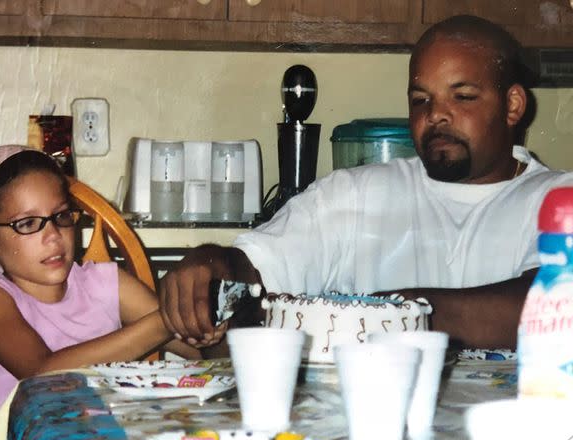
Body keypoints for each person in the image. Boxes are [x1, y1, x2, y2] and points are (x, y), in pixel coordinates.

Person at [158, 14, 573, 354]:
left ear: (513, 105)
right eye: (420, 99)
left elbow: (550, 305)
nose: (437, 115)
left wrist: (386, 311)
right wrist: (212, 263)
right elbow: (257, 270)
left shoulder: (558, 199)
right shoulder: (354, 195)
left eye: (462, 96)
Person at [0, 145, 197, 421]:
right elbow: (43, 374)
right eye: (27, 223)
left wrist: (208, 310)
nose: (54, 236)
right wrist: (168, 320)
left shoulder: (104, 282)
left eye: (60, 216)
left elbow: (198, 347)